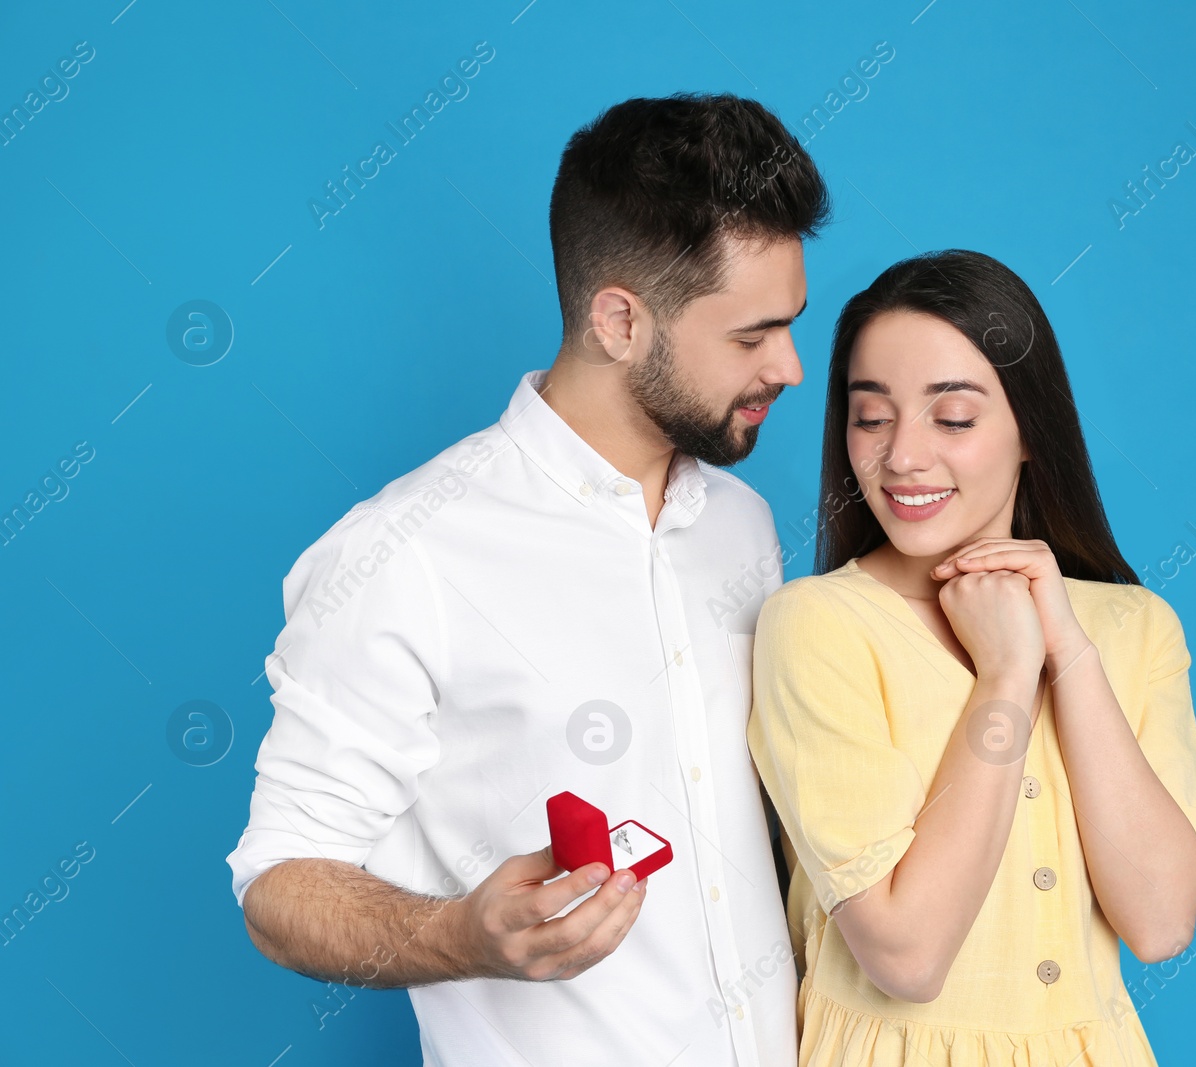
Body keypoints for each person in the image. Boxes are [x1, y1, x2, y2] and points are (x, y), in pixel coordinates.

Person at [226, 93, 830, 1066]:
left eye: (791, 325)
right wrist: (460, 934)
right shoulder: (403, 553)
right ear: (620, 320)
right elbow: (279, 883)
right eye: (750, 335)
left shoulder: (741, 525)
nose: (793, 367)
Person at [748, 250, 1196, 1066]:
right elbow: (906, 953)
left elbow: (1160, 919)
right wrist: (1005, 674)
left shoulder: (1135, 626)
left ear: (1032, 429)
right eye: (871, 416)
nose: (901, 457)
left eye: (953, 418)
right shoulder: (819, 626)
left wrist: (1063, 648)